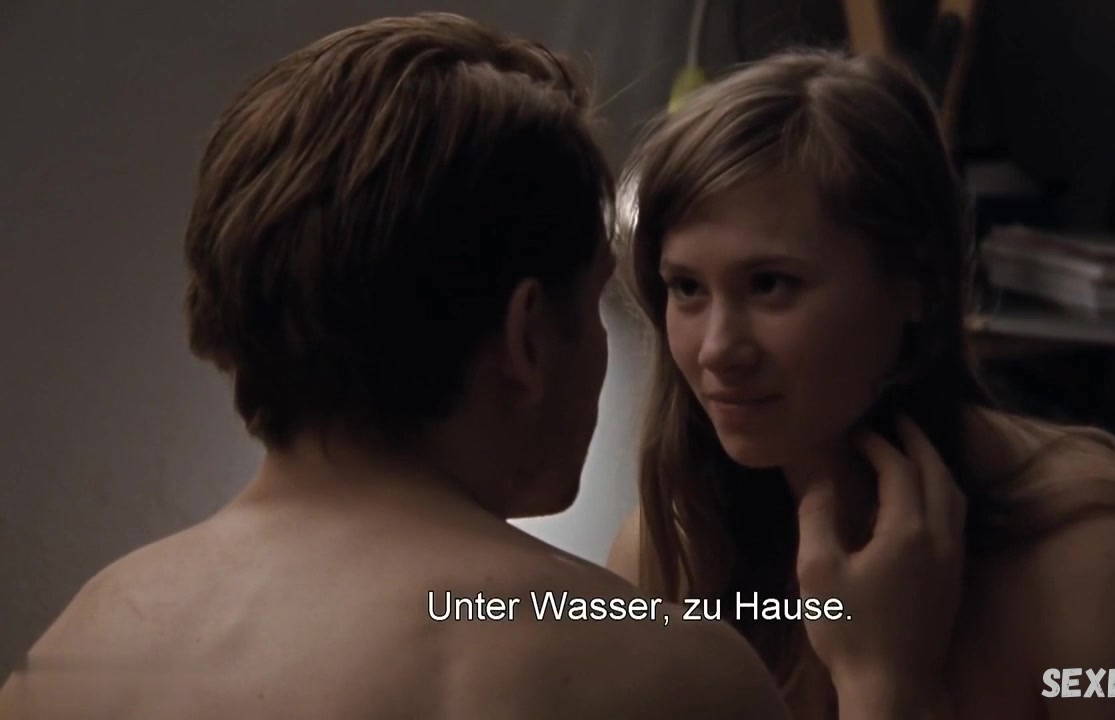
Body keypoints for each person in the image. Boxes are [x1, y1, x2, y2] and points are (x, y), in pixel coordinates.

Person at [0, 14, 963, 720]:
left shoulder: (78, 647)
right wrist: (884, 687)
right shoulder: (659, 675)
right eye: (603, 304)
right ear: (529, 338)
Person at [607, 49, 1115, 719]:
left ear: (916, 282)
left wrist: (882, 681)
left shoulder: (1100, 559)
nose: (717, 349)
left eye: (769, 284)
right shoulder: (670, 550)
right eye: (687, 288)